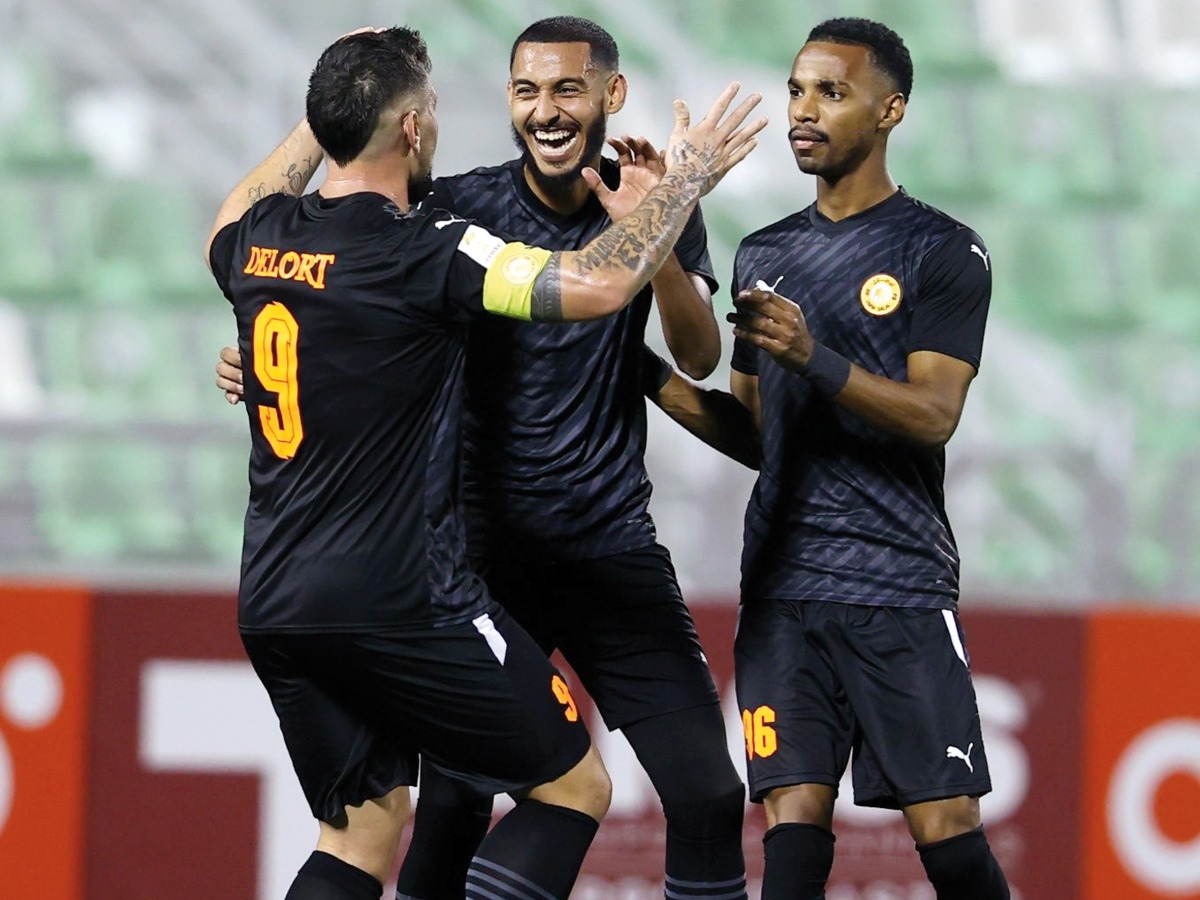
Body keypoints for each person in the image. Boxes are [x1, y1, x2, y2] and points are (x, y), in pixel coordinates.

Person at [204, 25, 763, 900]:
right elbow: (593, 287)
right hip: (426, 581)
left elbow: (232, 220)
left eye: (567, 91)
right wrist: (686, 181)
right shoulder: (436, 234)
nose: (544, 111)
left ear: (609, 99)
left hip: (293, 589)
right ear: (417, 129)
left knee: (360, 830)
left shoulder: (262, 236)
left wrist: (332, 108)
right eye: (523, 92)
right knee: (563, 789)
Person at [646, 17, 1011, 900]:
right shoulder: (765, 253)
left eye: (832, 94)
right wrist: (645, 375)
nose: (805, 111)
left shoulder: (941, 249)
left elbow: (934, 416)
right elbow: (757, 436)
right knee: (792, 825)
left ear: (891, 110)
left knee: (947, 830)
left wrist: (820, 359)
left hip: (896, 583)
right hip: (781, 590)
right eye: (798, 90)